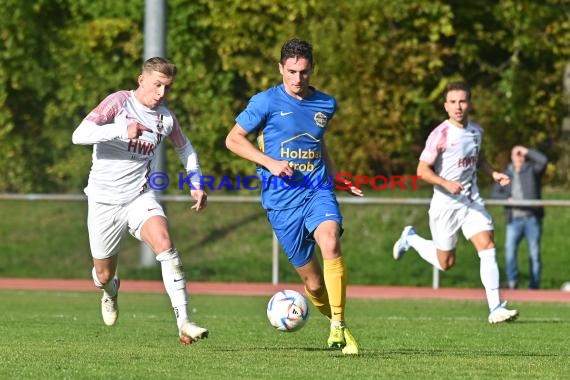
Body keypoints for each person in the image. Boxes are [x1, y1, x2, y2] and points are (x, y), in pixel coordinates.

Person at [225, 38, 363, 354]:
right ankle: (338, 325)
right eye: (291, 72)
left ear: (312, 69)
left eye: (303, 72)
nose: (297, 79)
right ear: (280, 69)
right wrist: (269, 162)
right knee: (314, 285)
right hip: (280, 202)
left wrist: (336, 176)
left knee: (330, 241)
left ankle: (338, 325)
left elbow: (318, 145)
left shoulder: (325, 104)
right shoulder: (264, 102)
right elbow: (233, 140)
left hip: (317, 191)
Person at [72, 57, 209, 344]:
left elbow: (186, 149)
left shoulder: (166, 118)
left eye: (167, 88)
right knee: (103, 273)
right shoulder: (118, 102)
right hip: (104, 201)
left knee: (165, 243)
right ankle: (110, 291)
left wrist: (195, 182)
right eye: (157, 85)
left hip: (139, 196)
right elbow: (79, 135)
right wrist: (122, 130)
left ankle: (184, 321)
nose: (161, 93)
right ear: (141, 80)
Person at [392, 81, 519, 324]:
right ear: (446, 106)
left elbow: (478, 159)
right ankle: (411, 238)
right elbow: (421, 170)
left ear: (469, 103)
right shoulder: (440, 134)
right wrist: (444, 183)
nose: (458, 106)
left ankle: (495, 308)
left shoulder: (476, 131)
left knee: (487, 245)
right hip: (445, 204)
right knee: (445, 263)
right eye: (452, 102)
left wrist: (493, 173)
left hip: (471, 200)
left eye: (462, 101)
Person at [491, 146, 548, 289]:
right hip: (514, 220)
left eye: (521, 155)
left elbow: (544, 160)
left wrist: (526, 150)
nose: (519, 157)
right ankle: (512, 282)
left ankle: (534, 286)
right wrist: (506, 198)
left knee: (534, 254)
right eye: (516, 154)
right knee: (509, 251)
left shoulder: (532, 170)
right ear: (511, 156)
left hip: (532, 219)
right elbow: (494, 195)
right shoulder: (506, 173)